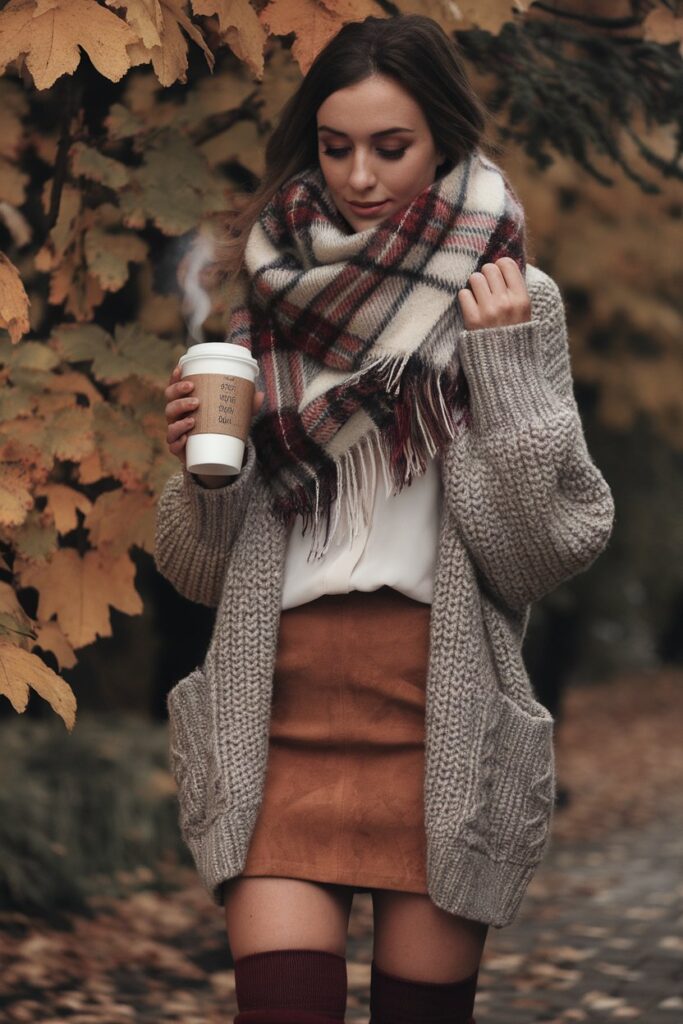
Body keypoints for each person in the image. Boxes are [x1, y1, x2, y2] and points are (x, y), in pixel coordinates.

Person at [156, 13, 615, 1024]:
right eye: (334, 146)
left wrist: (499, 369)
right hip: (275, 718)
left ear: (443, 141)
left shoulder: (510, 301)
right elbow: (194, 569)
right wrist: (203, 472)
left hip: (437, 718)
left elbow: (532, 552)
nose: (357, 176)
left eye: (389, 147)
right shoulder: (264, 303)